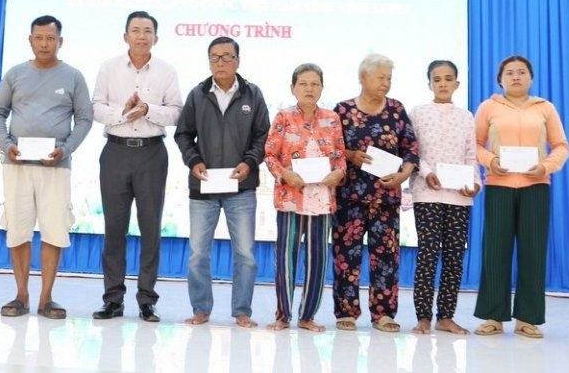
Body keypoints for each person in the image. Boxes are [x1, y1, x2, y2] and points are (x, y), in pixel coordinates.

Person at [0, 15, 93, 319]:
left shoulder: (73, 76)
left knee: (54, 229)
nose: (44, 43)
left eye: (50, 38)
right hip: (17, 164)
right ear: (30, 40)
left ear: (60, 41)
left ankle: (47, 298)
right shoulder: (15, 74)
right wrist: (7, 145)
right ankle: (21, 295)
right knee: (18, 229)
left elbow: (84, 119)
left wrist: (67, 149)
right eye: (39, 38)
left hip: (55, 167)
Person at [91, 11, 183, 323]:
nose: (142, 36)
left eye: (147, 31)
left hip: (151, 154)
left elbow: (176, 114)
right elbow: (96, 108)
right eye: (135, 30)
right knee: (114, 230)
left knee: (150, 229)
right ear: (125, 36)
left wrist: (148, 110)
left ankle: (147, 300)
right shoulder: (109, 68)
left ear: (156, 37)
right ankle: (113, 299)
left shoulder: (167, 71)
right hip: (115, 153)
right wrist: (123, 112)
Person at [174, 36, 270, 328]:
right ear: (209, 61)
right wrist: (194, 161)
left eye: (227, 57)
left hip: (240, 187)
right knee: (197, 255)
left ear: (238, 61)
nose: (221, 62)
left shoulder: (253, 95)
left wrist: (249, 162)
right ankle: (201, 309)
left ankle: (242, 311)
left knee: (245, 255)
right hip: (204, 187)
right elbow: (183, 134)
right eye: (215, 57)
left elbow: (263, 136)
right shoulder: (197, 94)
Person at [472, 55, 569, 339]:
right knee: (495, 251)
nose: (516, 77)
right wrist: (490, 161)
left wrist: (546, 166)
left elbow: (562, 146)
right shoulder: (488, 107)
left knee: (533, 252)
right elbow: (476, 145)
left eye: (522, 72)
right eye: (510, 73)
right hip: (498, 185)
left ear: (531, 77)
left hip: (536, 186)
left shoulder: (545, 108)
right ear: (500, 79)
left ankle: (528, 318)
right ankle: (493, 316)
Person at [332, 53, 418, 332]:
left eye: (389, 78)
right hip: (350, 197)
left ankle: (384, 314)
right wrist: (350, 155)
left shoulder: (396, 109)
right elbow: (329, 147)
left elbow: (411, 149)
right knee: (346, 254)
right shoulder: (343, 110)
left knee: (386, 256)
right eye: (381, 77)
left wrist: (404, 175)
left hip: (386, 196)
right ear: (363, 77)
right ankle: (346, 311)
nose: (386, 83)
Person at [264, 63, 346, 332]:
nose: (309, 89)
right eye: (303, 84)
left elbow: (340, 159)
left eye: (315, 84)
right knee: (286, 257)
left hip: (321, 199)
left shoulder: (332, 119)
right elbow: (270, 155)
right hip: (291, 197)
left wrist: (338, 174)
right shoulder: (283, 117)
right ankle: (283, 315)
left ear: (322, 88)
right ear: (293, 88)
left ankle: (307, 315)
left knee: (318, 259)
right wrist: (286, 175)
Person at [408, 60, 480, 335]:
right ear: (429, 83)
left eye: (448, 79)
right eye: (437, 79)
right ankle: (423, 316)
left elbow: (470, 156)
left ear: (457, 84)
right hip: (427, 193)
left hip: (459, 198)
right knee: (427, 254)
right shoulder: (418, 113)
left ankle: (446, 316)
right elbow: (414, 152)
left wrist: (474, 183)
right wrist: (426, 173)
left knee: (453, 257)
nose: (442, 84)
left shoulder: (466, 116)